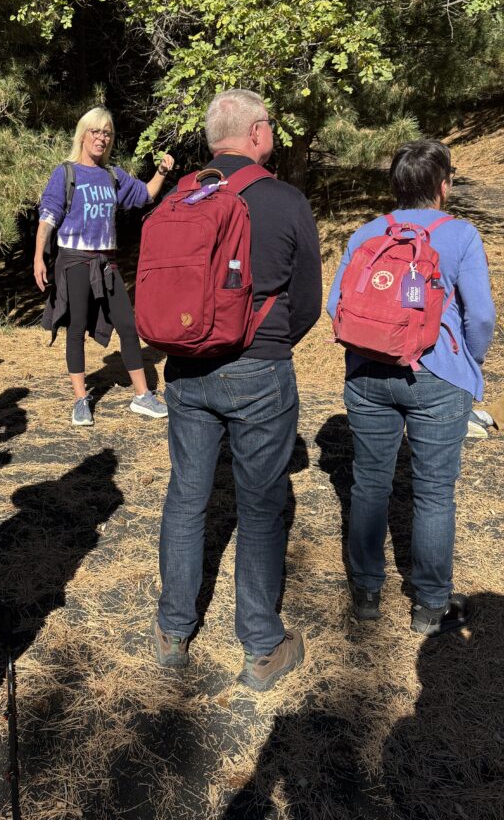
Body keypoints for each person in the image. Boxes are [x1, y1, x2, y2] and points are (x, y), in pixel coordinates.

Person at [153, 89, 322, 691]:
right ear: (255, 133)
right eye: (270, 123)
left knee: (186, 496)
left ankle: (173, 631)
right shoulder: (284, 199)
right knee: (260, 505)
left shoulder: (180, 196)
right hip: (260, 370)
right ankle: (261, 646)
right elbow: (308, 302)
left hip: (186, 367)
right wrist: (267, 342)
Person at [327, 140, 495, 635]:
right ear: (443, 186)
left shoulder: (367, 233)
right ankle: (430, 606)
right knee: (434, 493)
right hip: (437, 377)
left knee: (369, 484)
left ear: (395, 185)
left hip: (367, 373)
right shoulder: (460, 234)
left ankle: (366, 594)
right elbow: (481, 316)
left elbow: (335, 305)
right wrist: (467, 362)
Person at [34, 106, 174, 426]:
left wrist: (162, 172)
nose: (101, 138)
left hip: (107, 262)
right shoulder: (66, 172)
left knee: (127, 324)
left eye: (107, 133)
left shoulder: (113, 175)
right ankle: (80, 400)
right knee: (77, 328)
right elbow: (48, 216)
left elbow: (145, 194)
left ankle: (142, 396)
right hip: (74, 259)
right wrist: (38, 256)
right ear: (83, 135)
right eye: (96, 131)